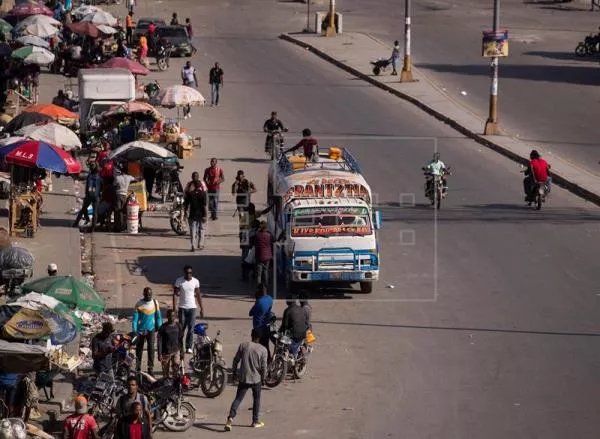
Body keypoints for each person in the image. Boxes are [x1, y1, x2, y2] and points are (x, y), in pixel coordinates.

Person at [224, 329, 267, 431]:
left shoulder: (243, 345)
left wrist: (234, 373)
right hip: (256, 379)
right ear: (260, 338)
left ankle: (230, 418)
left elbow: (236, 360)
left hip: (243, 377)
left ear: (251, 335)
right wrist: (263, 379)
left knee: (238, 398)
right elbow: (264, 367)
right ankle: (255, 421)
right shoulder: (263, 349)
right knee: (256, 399)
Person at [173, 265, 203, 354]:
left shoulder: (195, 281)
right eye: (187, 272)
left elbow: (198, 295)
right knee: (181, 328)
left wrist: (201, 308)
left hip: (192, 308)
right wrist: (174, 308)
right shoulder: (179, 281)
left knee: (191, 328)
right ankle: (179, 345)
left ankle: (188, 346)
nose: (188, 274)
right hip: (182, 308)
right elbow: (175, 294)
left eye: (190, 272)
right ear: (184, 272)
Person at [132, 287, 162, 375]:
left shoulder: (155, 303)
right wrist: (134, 331)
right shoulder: (139, 304)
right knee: (139, 349)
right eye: (147, 294)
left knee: (151, 348)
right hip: (140, 331)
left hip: (151, 330)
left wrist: (160, 328)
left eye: (150, 294)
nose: (149, 296)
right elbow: (134, 320)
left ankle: (150, 368)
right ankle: (138, 367)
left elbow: (158, 317)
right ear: (143, 294)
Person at [73, 164, 102, 230]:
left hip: (88, 195)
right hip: (96, 196)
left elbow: (86, 186)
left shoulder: (89, 176)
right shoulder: (100, 179)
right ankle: (93, 228)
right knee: (95, 212)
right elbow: (101, 188)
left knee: (83, 209)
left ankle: (76, 223)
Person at [249, 284, 272, 360]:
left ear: (260, 291)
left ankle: (257, 363)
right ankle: (268, 360)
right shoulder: (270, 299)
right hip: (266, 327)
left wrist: (256, 300)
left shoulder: (259, 302)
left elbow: (250, 313)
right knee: (266, 346)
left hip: (258, 328)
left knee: (255, 347)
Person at [157, 309, 182, 378]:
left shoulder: (178, 326)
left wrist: (182, 351)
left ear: (176, 316)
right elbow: (159, 341)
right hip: (166, 353)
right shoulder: (163, 327)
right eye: (170, 316)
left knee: (176, 370)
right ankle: (166, 386)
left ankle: (175, 386)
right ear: (167, 316)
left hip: (176, 351)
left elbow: (180, 339)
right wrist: (159, 354)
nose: (171, 317)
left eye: (173, 316)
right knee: (165, 374)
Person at [183, 180, 208, 251]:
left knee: (193, 230)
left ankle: (193, 245)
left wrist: (185, 213)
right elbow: (204, 206)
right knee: (202, 229)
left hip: (192, 214)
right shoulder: (203, 194)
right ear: (200, 186)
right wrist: (205, 215)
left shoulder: (190, 194)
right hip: (201, 214)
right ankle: (200, 245)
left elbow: (186, 204)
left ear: (193, 185)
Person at [113, 166, 137, 232]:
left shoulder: (118, 177)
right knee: (123, 211)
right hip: (125, 196)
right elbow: (135, 179)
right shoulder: (129, 177)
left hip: (118, 195)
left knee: (117, 211)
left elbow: (114, 184)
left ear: (121, 171)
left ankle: (117, 228)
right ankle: (123, 227)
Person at [253, 221, 274, 289]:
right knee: (266, 271)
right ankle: (266, 286)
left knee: (259, 273)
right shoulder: (269, 235)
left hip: (259, 255)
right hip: (267, 256)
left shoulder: (257, 235)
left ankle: (259, 287)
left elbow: (255, 244)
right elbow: (273, 242)